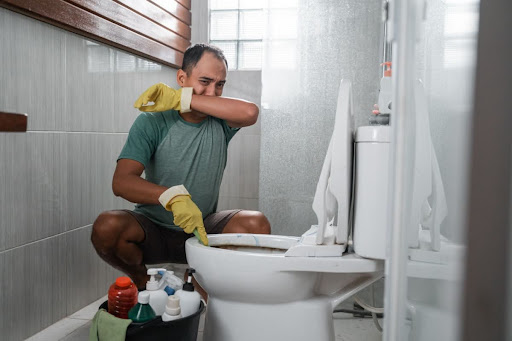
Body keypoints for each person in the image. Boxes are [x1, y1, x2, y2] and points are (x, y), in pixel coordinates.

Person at [91, 44, 271, 290]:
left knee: (256, 224)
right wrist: (171, 197)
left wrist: (183, 97)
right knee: (107, 226)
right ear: (181, 78)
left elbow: (250, 112)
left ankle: (201, 280)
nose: (212, 92)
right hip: (153, 230)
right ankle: (143, 280)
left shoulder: (220, 121)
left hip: (202, 229)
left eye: (220, 84)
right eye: (205, 81)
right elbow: (121, 182)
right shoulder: (153, 121)